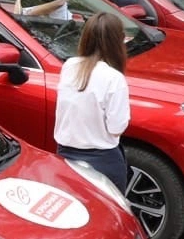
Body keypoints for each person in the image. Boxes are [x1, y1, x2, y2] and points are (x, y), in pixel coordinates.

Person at [54, 12, 132, 191]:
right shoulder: (114, 78)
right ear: (118, 42)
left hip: (66, 157)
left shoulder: (69, 66)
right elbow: (116, 128)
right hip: (103, 161)